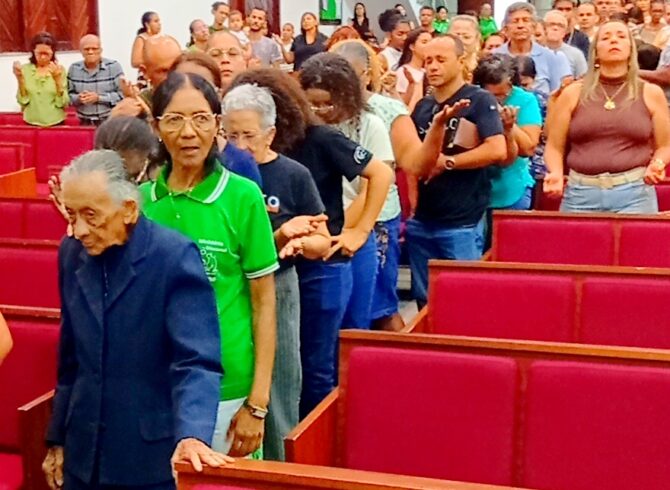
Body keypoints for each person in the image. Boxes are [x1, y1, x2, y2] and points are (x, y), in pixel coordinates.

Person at [43, 150, 230, 490]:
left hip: (146, 458)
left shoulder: (173, 257)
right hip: (83, 455)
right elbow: (70, 359)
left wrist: (192, 434)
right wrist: (57, 438)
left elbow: (195, 361)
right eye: (71, 214)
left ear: (128, 209)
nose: (79, 229)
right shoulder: (71, 253)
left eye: (91, 215)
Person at [229, 68, 393, 418]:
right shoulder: (239, 156)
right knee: (282, 361)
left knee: (316, 366)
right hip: (272, 264)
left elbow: (381, 173)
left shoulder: (318, 139)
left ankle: (314, 440)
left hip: (320, 265)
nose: (243, 139)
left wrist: (360, 230)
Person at [141, 72, 278, 458]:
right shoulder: (140, 202)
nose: (188, 132)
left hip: (229, 387)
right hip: (157, 385)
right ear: (156, 128)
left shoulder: (243, 196)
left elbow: (264, 303)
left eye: (201, 119)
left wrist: (257, 403)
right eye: (174, 119)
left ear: (217, 125)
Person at [221, 83, 329, 461]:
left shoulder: (292, 174)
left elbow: (322, 240)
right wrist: (278, 234)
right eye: (231, 135)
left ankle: (279, 467)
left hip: (279, 286)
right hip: (229, 287)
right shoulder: (218, 175)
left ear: (270, 133)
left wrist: (302, 241)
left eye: (248, 135)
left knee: (280, 387)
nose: (240, 145)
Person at [330, 39, 452, 331]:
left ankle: (399, 356)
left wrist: (435, 132)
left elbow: (416, 163)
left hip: (376, 218)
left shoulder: (385, 111)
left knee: (379, 308)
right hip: (333, 216)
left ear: (366, 74)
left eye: (351, 75)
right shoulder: (320, 110)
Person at [410, 35, 506, 308]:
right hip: (423, 219)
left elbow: (497, 149)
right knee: (424, 300)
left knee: (466, 299)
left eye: (441, 60)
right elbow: (412, 156)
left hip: (462, 220)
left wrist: (448, 162)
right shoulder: (423, 107)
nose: (433, 66)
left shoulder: (479, 99)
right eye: (428, 60)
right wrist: (413, 204)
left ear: (461, 61)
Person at [301, 53, 395, 331]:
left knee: (354, 322)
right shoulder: (302, 129)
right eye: (313, 103)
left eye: (328, 103)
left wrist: (354, 232)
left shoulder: (369, 124)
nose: (321, 111)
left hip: (352, 231)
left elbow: (376, 182)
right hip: (316, 233)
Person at [544, 20, 670, 213]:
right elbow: (554, 146)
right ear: (595, 51)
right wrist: (555, 172)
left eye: (621, 36)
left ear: (631, 49)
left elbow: (665, 146)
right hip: (580, 194)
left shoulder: (651, 92)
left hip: (635, 194)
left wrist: (658, 164)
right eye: (606, 37)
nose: (613, 40)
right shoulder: (573, 93)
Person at [473, 54, 542, 217]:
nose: (497, 100)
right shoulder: (473, 97)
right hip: (474, 189)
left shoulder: (525, 100)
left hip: (512, 190)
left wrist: (509, 125)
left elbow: (528, 148)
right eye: (491, 96)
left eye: (502, 95)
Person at [495, 2, 572, 96]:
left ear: (534, 26)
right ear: (506, 28)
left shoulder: (553, 58)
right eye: (515, 21)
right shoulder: (495, 57)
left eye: (525, 20)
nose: (520, 25)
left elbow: (559, 95)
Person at [111, 36, 182, 118]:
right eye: (163, 71)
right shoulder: (136, 107)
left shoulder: (193, 96)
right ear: (144, 71)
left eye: (176, 68)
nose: (172, 76)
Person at [13, 32, 68, 127]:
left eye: (46, 54)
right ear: (33, 51)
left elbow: (62, 103)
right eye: (39, 53)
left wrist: (57, 79)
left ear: (52, 52)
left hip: (55, 122)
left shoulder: (59, 70)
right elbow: (23, 101)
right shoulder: (25, 70)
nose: (42, 57)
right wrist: (20, 78)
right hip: (31, 122)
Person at [67, 35, 123, 126]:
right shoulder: (74, 69)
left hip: (109, 121)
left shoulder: (113, 67)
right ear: (81, 51)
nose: (90, 52)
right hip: (83, 122)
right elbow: (68, 97)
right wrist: (78, 98)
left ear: (100, 50)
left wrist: (99, 98)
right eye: (86, 49)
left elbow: (122, 95)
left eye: (94, 48)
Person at [395, 29, 432, 110]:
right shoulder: (403, 71)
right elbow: (400, 103)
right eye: (424, 42)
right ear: (412, 46)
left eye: (431, 43)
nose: (429, 46)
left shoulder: (428, 72)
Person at [544, 10, 588, 78]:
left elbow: (584, 80)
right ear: (543, 28)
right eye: (551, 24)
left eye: (560, 26)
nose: (555, 28)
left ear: (565, 31)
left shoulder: (576, 54)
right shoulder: (535, 51)